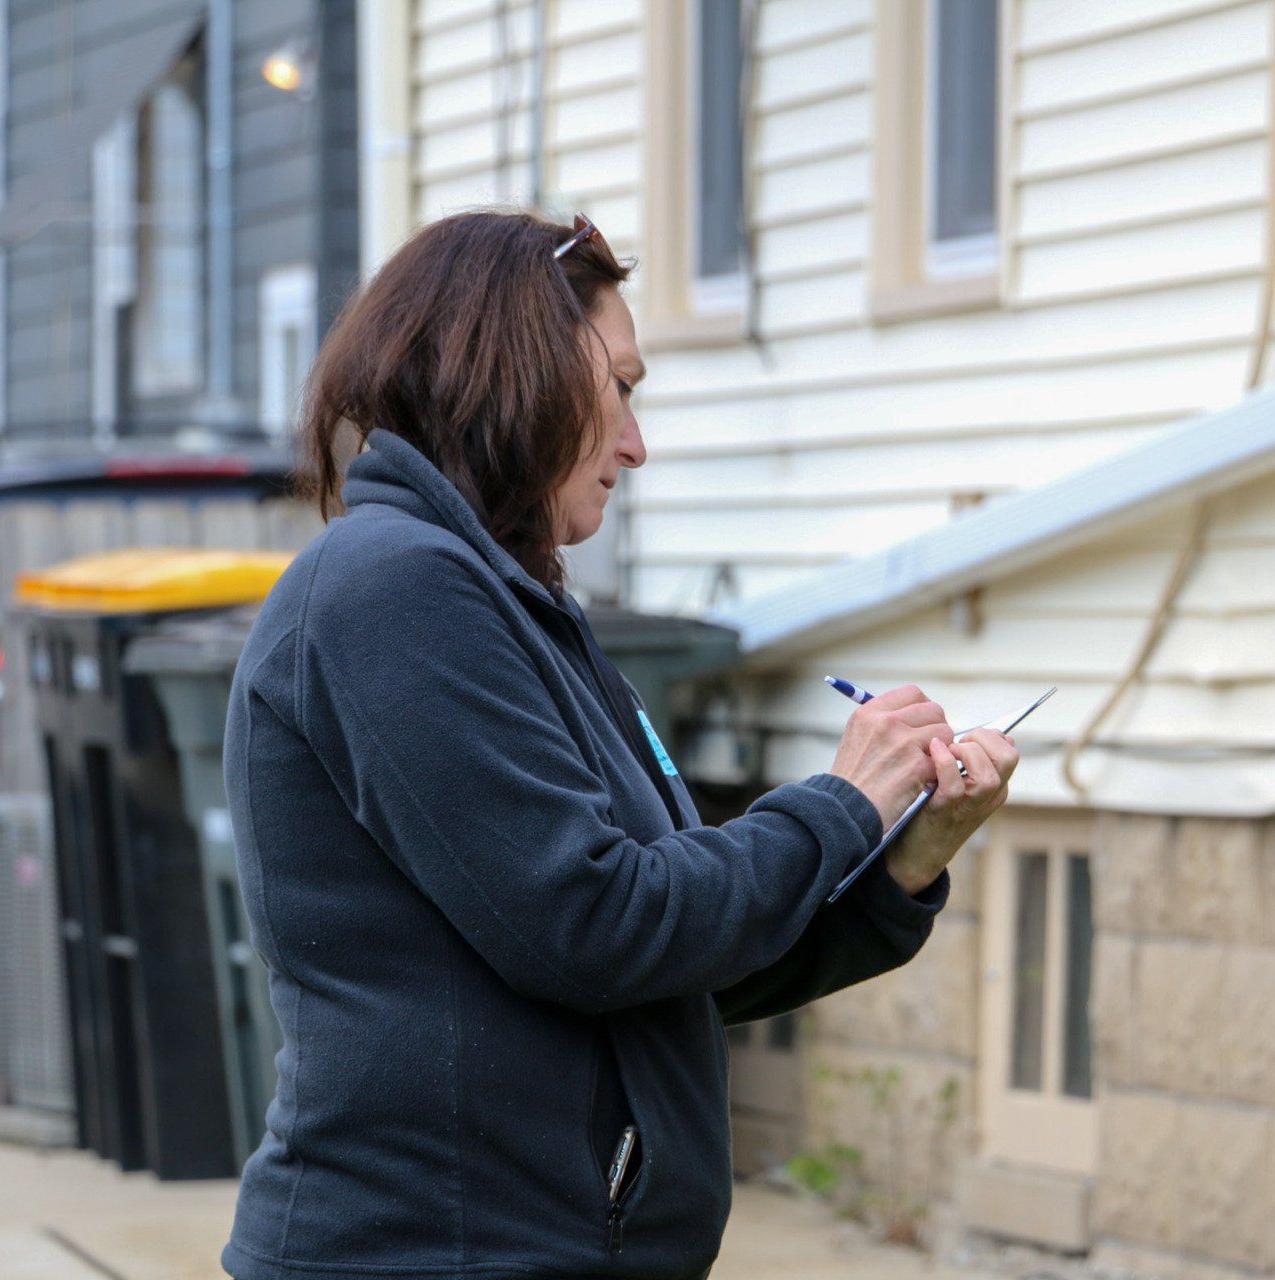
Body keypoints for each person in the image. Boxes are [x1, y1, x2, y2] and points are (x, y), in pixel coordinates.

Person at [217, 209, 1019, 1280]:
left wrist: (902, 860)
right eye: (625, 388)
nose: (638, 446)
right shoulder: (392, 588)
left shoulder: (517, 608)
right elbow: (596, 922)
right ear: (521, 368)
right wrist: (840, 802)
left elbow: (674, 965)